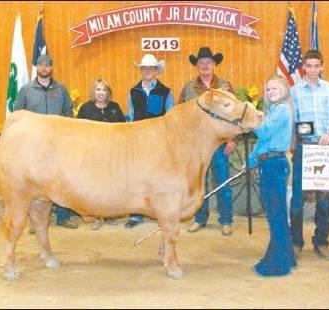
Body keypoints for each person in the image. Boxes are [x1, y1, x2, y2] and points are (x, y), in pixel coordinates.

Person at [14, 54, 79, 229]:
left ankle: (63, 217)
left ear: (51, 68)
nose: (44, 68)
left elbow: (69, 113)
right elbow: (18, 114)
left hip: (59, 145)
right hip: (34, 146)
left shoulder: (61, 90)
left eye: (47, 65)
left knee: (62, 180)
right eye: (41, 65)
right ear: (36, 67)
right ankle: (36, 221)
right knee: (34, 182)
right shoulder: (26, 90)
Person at [179, 47, 237, 236]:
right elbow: (181, 114)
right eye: (201, 63)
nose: (205, 66)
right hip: (196, 146)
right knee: (198, 183)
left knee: (222, 182)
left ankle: (226, 220)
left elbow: (235, 114)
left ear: (214, 65)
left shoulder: (225, 85)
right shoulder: (189, 88)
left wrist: (232, 138)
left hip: (219, 144)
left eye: (208, 62)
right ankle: (200, 218)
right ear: (196, 66)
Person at [290, 49, 329, 259]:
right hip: (304, 148)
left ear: (321, 67)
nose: (312, 70)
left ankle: (321, 241)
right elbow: (292, 121)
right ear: (303, 66)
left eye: (316, 66)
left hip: (325, 150)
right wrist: (294, 143)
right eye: (308, 66)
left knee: (323, 199)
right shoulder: (293, 91)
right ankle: (295, 241)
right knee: (297, 198)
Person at [245, 76, 297, 277]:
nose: (270, 91)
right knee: (277, 214)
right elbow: (261, 145)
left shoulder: (283, 110)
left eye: (274, 88)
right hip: (268, 162)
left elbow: (264, 132)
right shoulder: (273, 111)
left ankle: (278, 264)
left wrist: (250, 117)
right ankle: (287, 257)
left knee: (275, 215)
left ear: (284, 89)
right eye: (268, 89)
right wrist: (249, 162)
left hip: (274, 165)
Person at [124, 54, 175, 229]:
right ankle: (135, 214)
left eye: (150, 68)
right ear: (141, 71)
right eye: (144, 68)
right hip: (137, 142)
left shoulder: (166, 92)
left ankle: (158, 211)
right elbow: (130, 117)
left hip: (158, 142)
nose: (147, 71)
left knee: (157, 178)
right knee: (136, 177)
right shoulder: (133, 91)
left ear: (156, 71)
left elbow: (170, 117)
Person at [77, 78, 125, 229]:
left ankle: (110, 214)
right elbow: (79, 132)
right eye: (98, 89)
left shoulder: (115, 107)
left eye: (104, 89)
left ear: (108, 92)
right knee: (95, 187)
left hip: (113, 155)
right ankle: (96, 216)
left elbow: (123, 129)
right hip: (93, 155)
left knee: (112, 186)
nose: (101, 93)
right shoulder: (85, 108)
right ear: (93, 92)